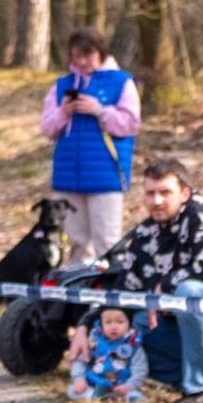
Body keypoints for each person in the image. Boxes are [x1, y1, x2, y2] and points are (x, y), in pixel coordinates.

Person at [67, 158, 203, 403]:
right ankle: (188, 381)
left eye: (165, 193)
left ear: (184, 193)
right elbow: (122, 289)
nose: (157, 200)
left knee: (190, 294)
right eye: (150, 193)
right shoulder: (146, 233)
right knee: (132, 325)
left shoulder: (200, 216)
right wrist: (85, 325)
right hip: (187, 329)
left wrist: (163, 289)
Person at [38, 27, 142, 263]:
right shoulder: (61, 86)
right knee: (76, 241)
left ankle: (108, 295)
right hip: (69, 175)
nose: (82, 61)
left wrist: (100, 111)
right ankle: (75, 295)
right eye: (76, 56)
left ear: (101, 52)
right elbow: (47, 129)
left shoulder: (122, 83)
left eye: (87, 55)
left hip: (106, 175)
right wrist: (64, 112)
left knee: (107, 241)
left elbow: (130, 125)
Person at [67, 306, 148, 403]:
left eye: (120, 322)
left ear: (129, 324)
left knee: (134, 394)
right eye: (108, 322)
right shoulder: (94, 341)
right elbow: (80, 361)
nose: (113, 327)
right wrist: (78, 378)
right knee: (72, 391)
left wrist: (129, 386)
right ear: (101, 324)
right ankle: (95, 396)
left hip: (122, 384)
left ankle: (130, 399)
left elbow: (140, 370)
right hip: (96, 382)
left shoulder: (133, 345)